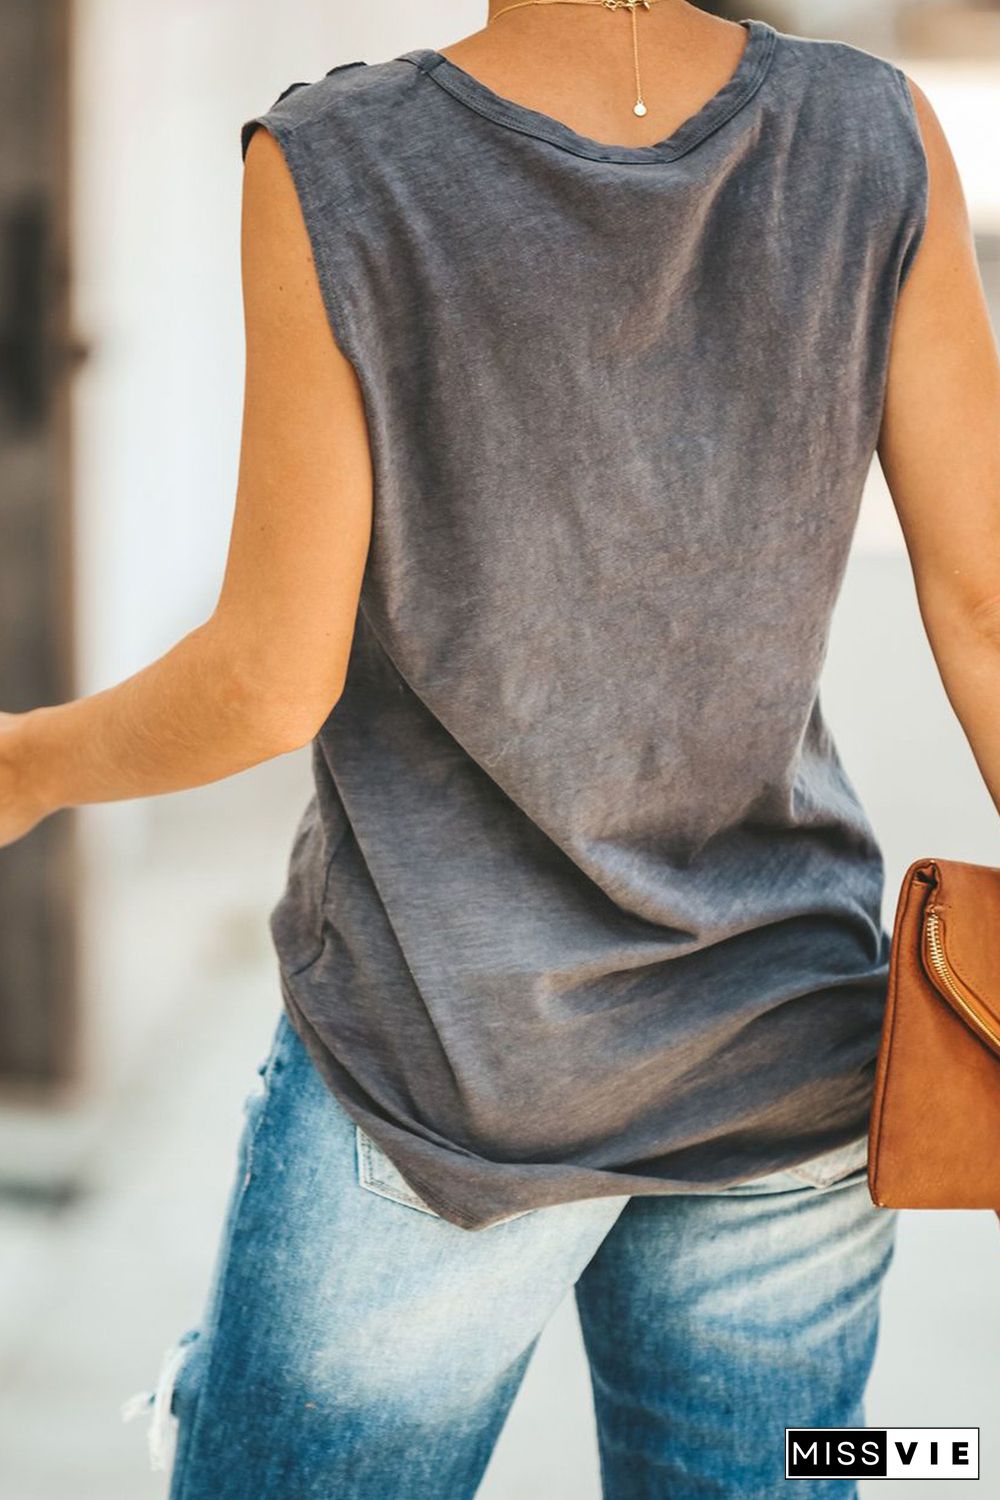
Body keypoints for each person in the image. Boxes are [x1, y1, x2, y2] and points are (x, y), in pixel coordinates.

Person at [3, 1, 1000, 1495]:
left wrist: (31, 762)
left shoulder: (337, 163)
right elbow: (985, 603)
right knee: (817, 1465)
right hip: (794, 1057)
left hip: (442, 1087)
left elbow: (272, 681)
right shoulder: (877, 137)